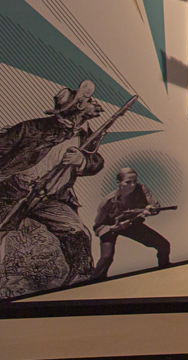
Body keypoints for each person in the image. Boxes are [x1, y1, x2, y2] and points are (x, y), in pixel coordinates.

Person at [0, 82, 107, 287]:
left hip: (50, 198)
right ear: (78, 107)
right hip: (13, 192)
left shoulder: (88, 135)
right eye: (89, 101)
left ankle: (81, 280)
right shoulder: (33, 128)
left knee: (77, 232)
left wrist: (81, 160)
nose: (95, 104)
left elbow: (96, 162)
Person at [91, 168, 170, 279]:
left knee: (164, 245)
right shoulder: (107, 201)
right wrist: (113, 228)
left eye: (135, 181)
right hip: (111, 229)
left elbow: (155, 206)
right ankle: (94, 282)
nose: (132, 185)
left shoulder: (142, 189)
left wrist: (150, 209)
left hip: (132, 225)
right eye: (128, 182)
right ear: (118, 183)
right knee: (106, 258)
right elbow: (98, 227)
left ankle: (165, 273)